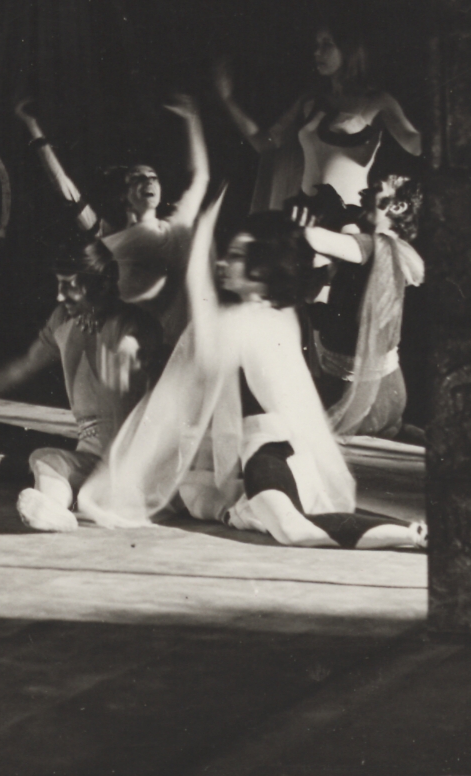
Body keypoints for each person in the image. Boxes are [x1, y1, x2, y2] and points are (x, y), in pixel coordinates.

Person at [77, 194, 427, 551]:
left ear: (262, 268)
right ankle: (416, 534)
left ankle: (417, 535)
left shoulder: (253, 320)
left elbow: (205, 353)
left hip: (270, 452)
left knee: (292, 528)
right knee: (254, 513)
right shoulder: (265, 315)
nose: (225, 263)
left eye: (237, 256)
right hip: (252, 454)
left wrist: (198, 254)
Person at [0, 238, 164, 531]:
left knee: (41, 464)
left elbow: (137, 344)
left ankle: (68, 502)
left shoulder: (135, 321)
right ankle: (54, 511)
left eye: (69, 285)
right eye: (59, 284)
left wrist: (125, 349)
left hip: (135, 465)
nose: (59, 295)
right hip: (94, 460)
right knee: (44, 458)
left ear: (100, 281)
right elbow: (26, 365)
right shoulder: (62, 320)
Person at [15, 94, 209, 342]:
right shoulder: (108, 236)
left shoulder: (176, 227)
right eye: (138, 178)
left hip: (171, 341)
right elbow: (64, 188)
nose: (149, 182)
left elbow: (200, 177)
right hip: (124, 342)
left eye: (153, 177)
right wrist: (33, 126)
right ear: (124, 195)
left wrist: (192, 118)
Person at [214, 23, 422, 222]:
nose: (317, 52)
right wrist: (228, 100)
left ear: (348, 50)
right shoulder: (309, 100)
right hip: (305, 213)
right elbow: (265, 142)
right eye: (317, 45)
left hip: (349, 216)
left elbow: (415, 145)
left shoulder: (378, 101)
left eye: (327, 44)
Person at [294, 173, 425, 441]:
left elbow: (314, 238)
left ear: (397, 205)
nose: (364, 193)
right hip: (379, 389)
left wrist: (333, 216)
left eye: (376, 188)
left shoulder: (377, 246)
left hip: (358, 397)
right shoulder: (380, 249)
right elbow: (317, 278)